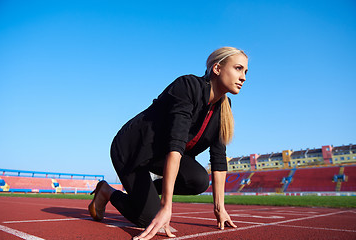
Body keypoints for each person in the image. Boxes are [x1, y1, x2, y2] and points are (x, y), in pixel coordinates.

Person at [88, 46, 248, 240]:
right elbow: (176, 144)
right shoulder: (188, 86)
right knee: (148, 219)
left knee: (199, 180)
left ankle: (145, 195)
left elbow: (218, 158)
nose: (244, 78)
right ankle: (106, 191)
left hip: (160, 155)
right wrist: (165, 206)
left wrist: (220, 208)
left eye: (245, 72)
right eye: (238, 68)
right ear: (217, 68)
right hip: (132, 150)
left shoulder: (224, 108)